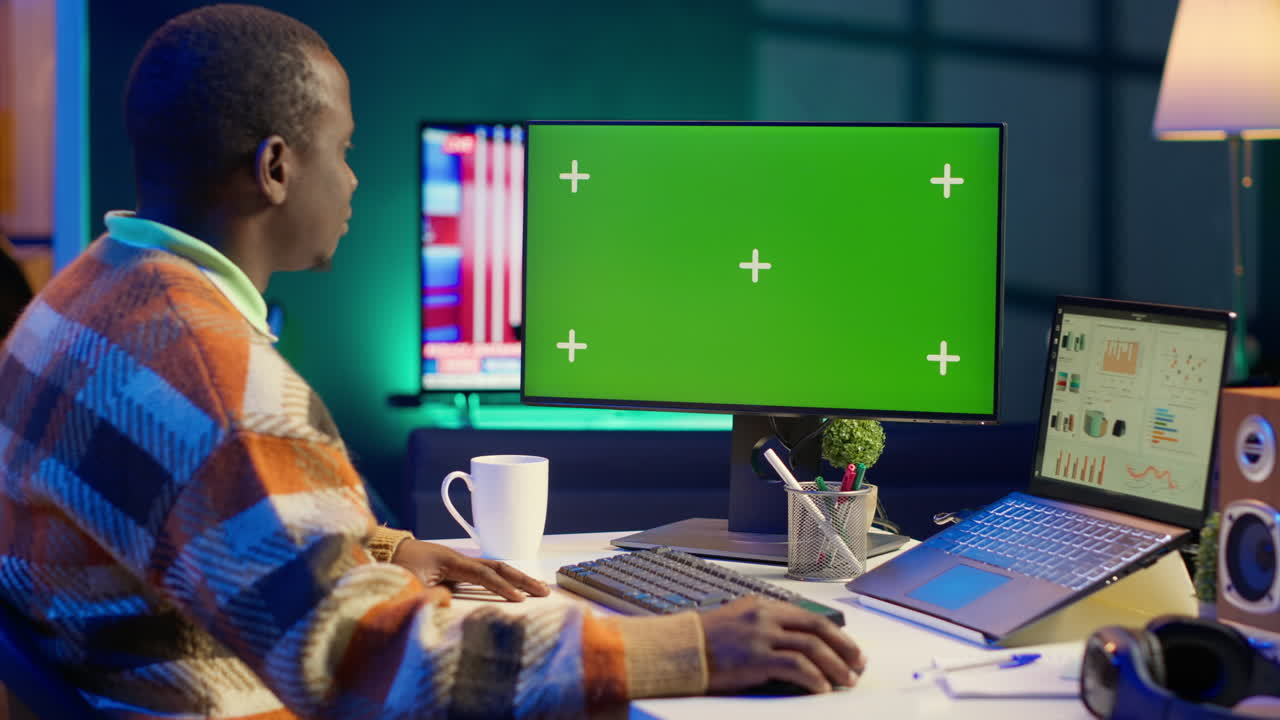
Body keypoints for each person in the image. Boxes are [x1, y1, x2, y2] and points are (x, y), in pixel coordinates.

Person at [0, 5, 865, 718]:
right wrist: (693, 645)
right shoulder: (224, 381)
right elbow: (372, 667)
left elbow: (177, 506)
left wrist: (378, 549)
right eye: (342, 149)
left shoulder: (80, 298)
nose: (352, 180)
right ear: (274, 168)